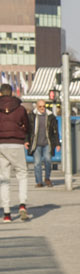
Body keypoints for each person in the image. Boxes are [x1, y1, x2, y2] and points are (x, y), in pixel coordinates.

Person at [0, 83, 30, 222]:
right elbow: (27, 124)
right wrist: (23, 134)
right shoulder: (20, 109)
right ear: (11, 93)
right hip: (16, 144)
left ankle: (6, 213)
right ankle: (22, 204)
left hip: (1, 145)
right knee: (22, 173)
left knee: (4, 178)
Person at [30, 101, 56, 187]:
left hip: (47, 142)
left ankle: (47, 178)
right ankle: (39, 182)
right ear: (37, 107)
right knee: (37, 163)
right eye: (40, 106)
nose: (42, 108)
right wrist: (26, 141)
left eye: (44, 106)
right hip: (36, 143)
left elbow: (54, 131)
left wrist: (57, 143)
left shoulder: (50, 116)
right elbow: (28, 130)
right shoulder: (32, 116)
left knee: (48, 161)